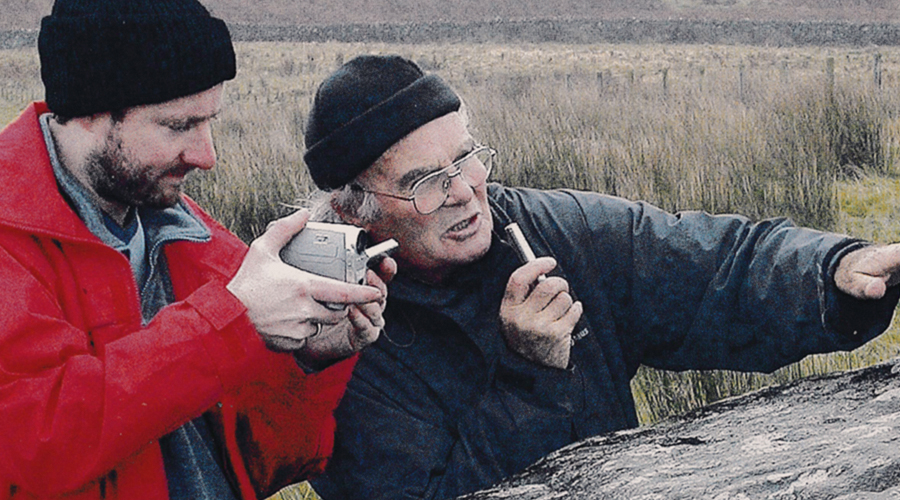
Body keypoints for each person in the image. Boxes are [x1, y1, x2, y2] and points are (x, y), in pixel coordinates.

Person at [301, 54, 900, 500]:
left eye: (467, 158)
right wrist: (533, 372)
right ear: (354, 207)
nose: (466, 193)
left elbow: (712, 263)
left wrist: (832, 271)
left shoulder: (552, 229)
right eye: (426, 181)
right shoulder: (334, 326)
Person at [0, 2, 395, 499]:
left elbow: (261, 467)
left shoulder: (194, 239)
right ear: (90, 111)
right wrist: (226, 326)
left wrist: (310, 361)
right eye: (179, 126)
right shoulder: (9, 243)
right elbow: (27, 449)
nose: (207, 157)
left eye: (210, 122)